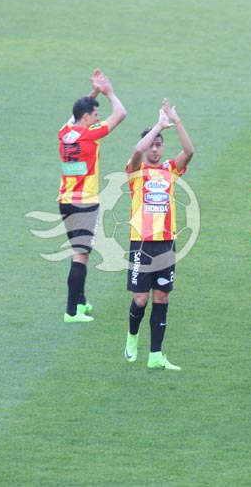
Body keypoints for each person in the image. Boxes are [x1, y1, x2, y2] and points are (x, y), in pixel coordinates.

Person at [124, 99, 194, 370]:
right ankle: (132, 338)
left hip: (166, 244)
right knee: (140, 299)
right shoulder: (136, 170)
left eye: (159, 145)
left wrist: (176, 121)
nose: (154, 149)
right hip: (141, 243)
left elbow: (189, 151)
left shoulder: (170, 169)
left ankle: (156, 355)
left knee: (162, 297)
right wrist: (158, 126)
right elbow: (136, 150)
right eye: (151, 145)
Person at [58, 69, 126, 323]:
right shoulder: (91, 134)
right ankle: (71, 312)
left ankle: (80, 301)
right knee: (80, 255)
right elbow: (121, 114)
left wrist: (94, 92)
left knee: (79, 252)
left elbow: (76, 115)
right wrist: (108, 92)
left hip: (65, 201)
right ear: (87, 117)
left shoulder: (65, 133)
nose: (98, 118)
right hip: (85, 203)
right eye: (95, 114)